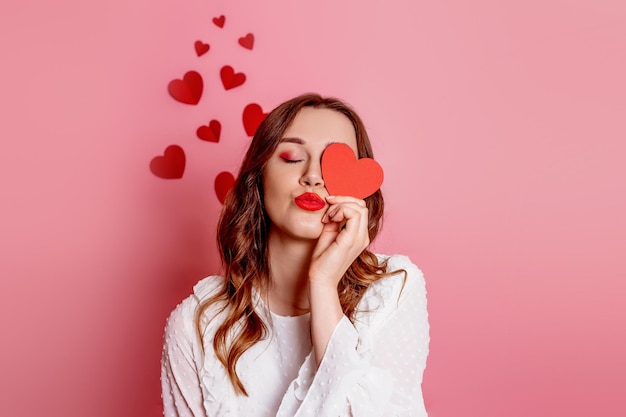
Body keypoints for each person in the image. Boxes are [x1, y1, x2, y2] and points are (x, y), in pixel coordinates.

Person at [161, 93, 430, 417]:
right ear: (258, 176)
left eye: (335, 161)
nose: (313, 177)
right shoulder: (198, 325)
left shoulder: (392, 291)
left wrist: (323, 283)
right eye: (291, 157)